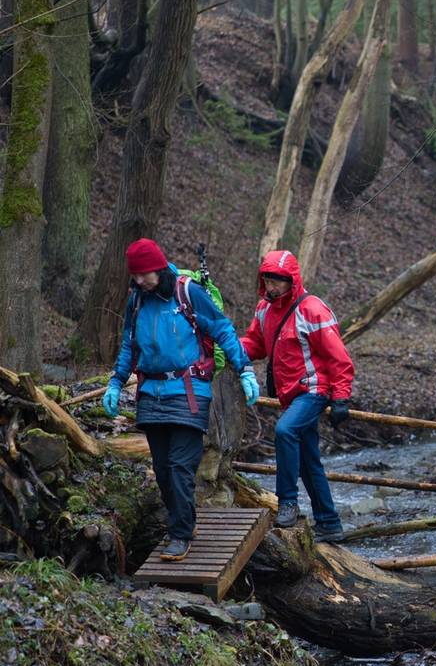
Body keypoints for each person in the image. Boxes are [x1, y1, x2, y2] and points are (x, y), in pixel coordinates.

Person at [103, 239, 259, 561]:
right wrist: (116, 382)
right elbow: (129, 344)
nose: (139, 281)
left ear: (159, 268)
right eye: (135, 276)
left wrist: (245, 369)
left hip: (190, 391)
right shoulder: (137, 300)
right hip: (151, 393)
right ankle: (185, 521)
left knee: (179, 467)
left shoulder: (188, 293)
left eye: (144, 274)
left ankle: (180, 534)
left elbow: (223, 330)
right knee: (162, 470)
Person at [240, 250, 355, 543]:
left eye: (278, 281)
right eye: (268, 280)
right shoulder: (264, 309)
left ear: (292, 281)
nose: (272, 286)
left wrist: (341, 397)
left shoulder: (312, 309)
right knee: (307, 460)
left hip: (314, 389)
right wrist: (226, 349)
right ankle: (329, 523)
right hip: (290, 394)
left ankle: (287, 502)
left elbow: (338, 356)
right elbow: (255, 343)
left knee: (285, 431)